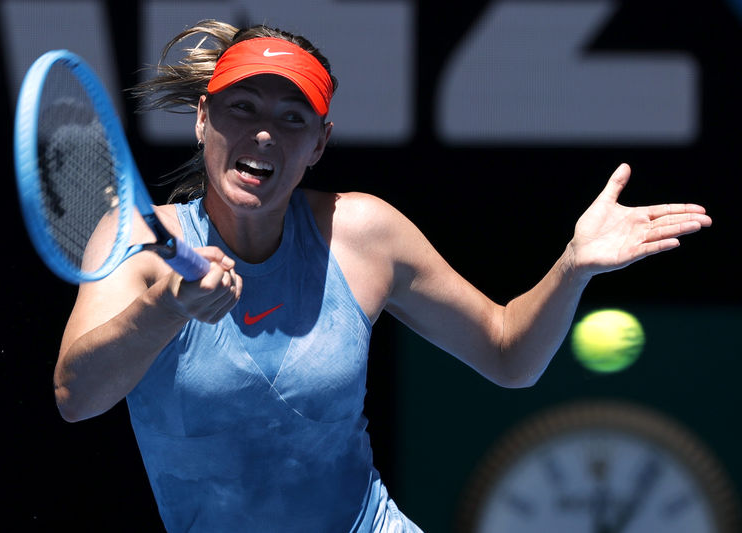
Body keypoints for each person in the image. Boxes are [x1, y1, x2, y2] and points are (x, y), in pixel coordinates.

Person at [53, 19, 712, 533]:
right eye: (242, 107)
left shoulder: (363, 234)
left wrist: (573, 265)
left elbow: (509, 353)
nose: (262, 135)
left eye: (291, 119)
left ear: (318, 144)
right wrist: (167, 308)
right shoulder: (138, 243)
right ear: (202, 118)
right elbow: (75, 396)